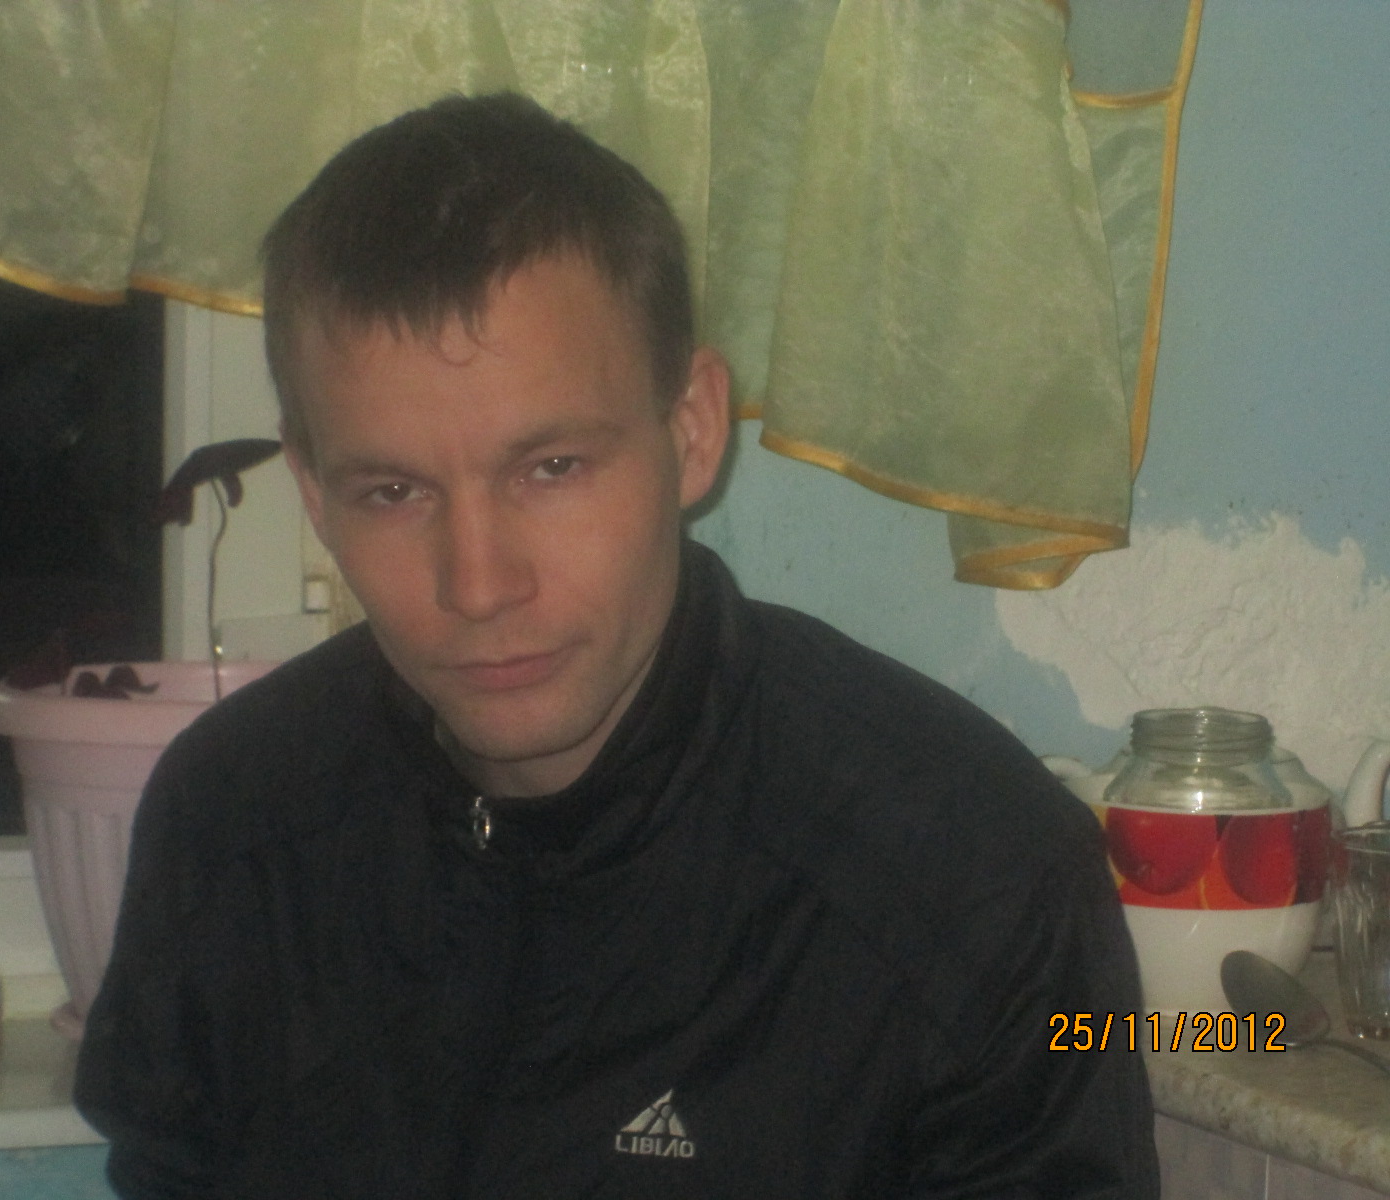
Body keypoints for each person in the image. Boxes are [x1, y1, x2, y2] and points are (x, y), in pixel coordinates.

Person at [75, 92, 1158, 1199]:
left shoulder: (974, 877)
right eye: (393, 491)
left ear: (690, 431)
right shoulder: (232, 824)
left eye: (552, 469)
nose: (479, 586)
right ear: (313, 493)